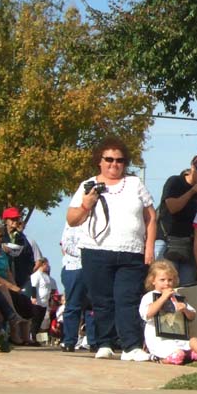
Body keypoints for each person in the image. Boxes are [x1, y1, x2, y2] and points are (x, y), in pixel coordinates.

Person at [66, 136, 156, 361]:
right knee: (102, 299)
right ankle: (104, 343)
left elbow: (151, 217)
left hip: (131, 252)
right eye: (109, 159)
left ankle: (131, 346)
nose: (114, 164)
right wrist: (87, 204)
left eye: (120, 160)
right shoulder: (88, 186)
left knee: (127, 298)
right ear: (100, 161)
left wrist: (149, 248)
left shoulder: (135, 184)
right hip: (96, 250)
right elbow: (72, 219)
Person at [139, 260, 197, 364]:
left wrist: (184, 309)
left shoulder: (177, 296)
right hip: (159, 339)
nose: (166, 283)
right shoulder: (149, 296)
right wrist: (162, 298)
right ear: (153, 281)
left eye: (170, 280)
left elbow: (192, 316)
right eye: (162, 280)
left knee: (196, 352)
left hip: (178, 336)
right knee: (178, 356)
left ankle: (196, 357)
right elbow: (147, 314)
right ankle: (159, 358)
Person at [155, 154, 197, 285]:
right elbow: (172, 207)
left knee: (186, 289)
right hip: (167, 243)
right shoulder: (175, 182)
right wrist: (192, 192)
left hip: (189, 247)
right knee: (165, 285)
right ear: (192, 167)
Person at [59, 222, 95, 352]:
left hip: (94, 268)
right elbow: (66, 245)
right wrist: (87, 254)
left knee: (92, 306)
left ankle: (94, 341)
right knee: (73, 305)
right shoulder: (72, 222)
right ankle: (69, 341)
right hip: (74, 267)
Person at [1, 206, 36, 296]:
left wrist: (27, 273)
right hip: (3, 278)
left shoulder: (21, 237)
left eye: (17, 218)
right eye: (12, 219)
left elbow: (30, 256)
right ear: (6, 221)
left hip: (20, 278)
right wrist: (2, 247)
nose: (15, 221)